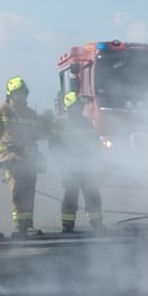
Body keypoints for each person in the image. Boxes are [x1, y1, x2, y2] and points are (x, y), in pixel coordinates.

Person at [0, 77, 44, 238]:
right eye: (17, 93)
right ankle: (19, 228)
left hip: (29, 160)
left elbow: (35, 137)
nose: (20, 96)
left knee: (29, 192)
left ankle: (28, 225)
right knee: (17, 191)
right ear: (10, 94)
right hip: (11, 159)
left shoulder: (31, 114)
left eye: (23, 93)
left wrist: (39, 157)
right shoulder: (0, 111)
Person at [50, 92, 104, 234]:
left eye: (79, 106)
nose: (79, 109)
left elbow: (94, 144)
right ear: (68, 107)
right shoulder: (59, 123)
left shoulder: (86, 122)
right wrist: (62, 165)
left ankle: (97, 223)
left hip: (87, 165)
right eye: (75, 106)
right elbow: (54, 146)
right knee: (71, 196)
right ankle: (67, 225)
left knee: (92, 194)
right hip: (70, 166)